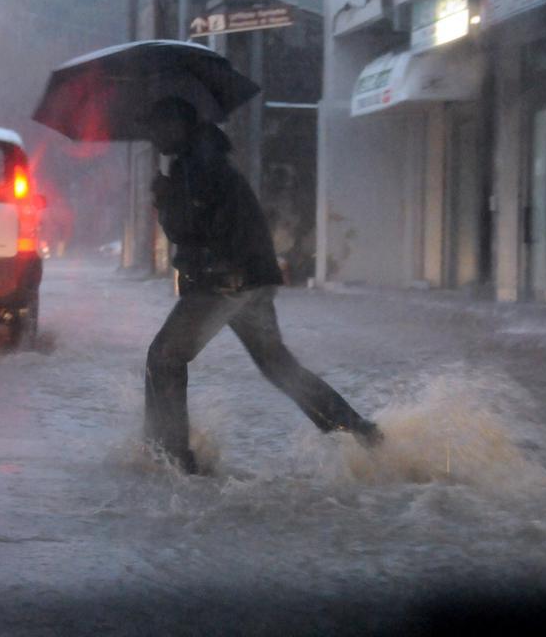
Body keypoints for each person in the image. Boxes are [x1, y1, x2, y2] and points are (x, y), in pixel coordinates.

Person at [144, 97, 381, 474]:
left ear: (177, 124)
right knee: (278, 366)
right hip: (251, 281)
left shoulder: (197, 166)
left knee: (164, 358)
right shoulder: (204, 157)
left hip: (224, 283)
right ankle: (362, 435)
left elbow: (189, 228)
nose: (153, 137)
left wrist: (164, 200)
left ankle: (171, 459)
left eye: (157, 127)